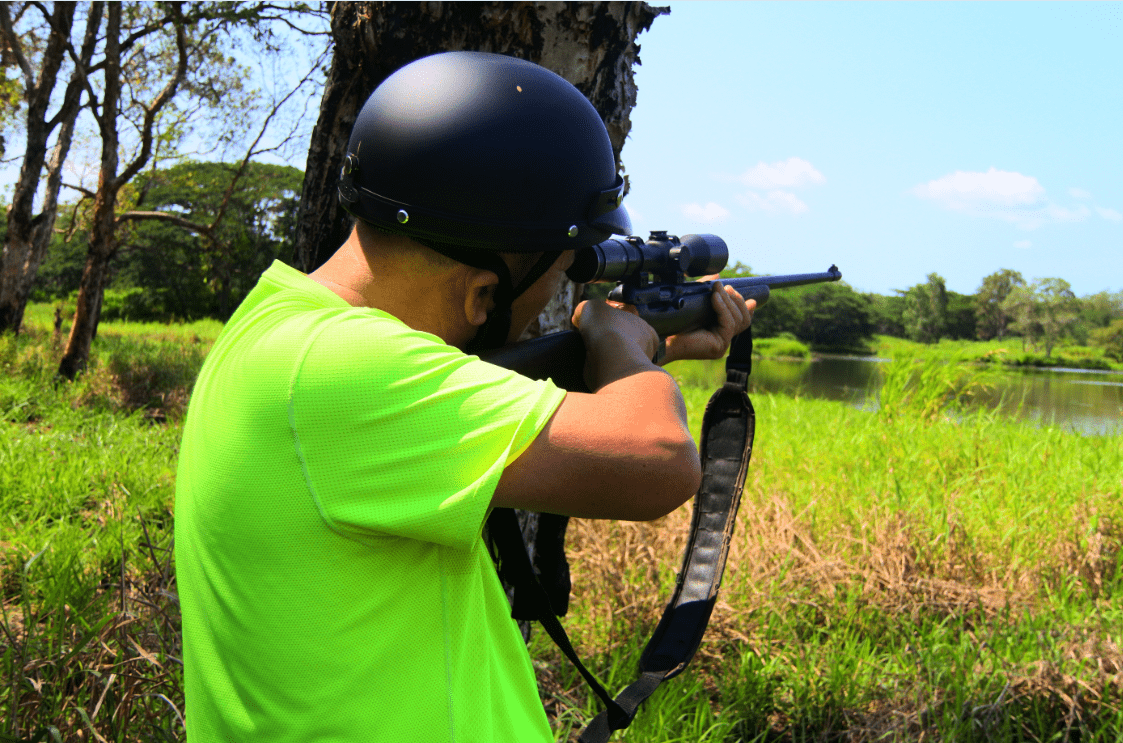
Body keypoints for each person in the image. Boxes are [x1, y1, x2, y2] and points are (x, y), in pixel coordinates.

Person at [174, 51, 754, 742]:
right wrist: (621, 347)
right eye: (562, 276)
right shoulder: (342, 367)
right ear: (484, 291)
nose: (561, 298)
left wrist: (639, 353)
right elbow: (656, 460)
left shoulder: (279, 327)